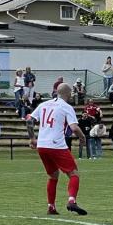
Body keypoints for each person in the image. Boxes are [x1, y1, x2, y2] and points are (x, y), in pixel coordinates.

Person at [26, 83, 87, 216]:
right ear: (68, 93)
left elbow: (29, 121)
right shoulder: (66, 107)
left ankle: (51, 207)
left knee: (53, 176)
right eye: (71, 93)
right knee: (74, 173)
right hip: (56, 145)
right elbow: (74, 127)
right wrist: (82, 138)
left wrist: (32, 138)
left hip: (42, 145)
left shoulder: (43, 104)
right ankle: (72, 201)